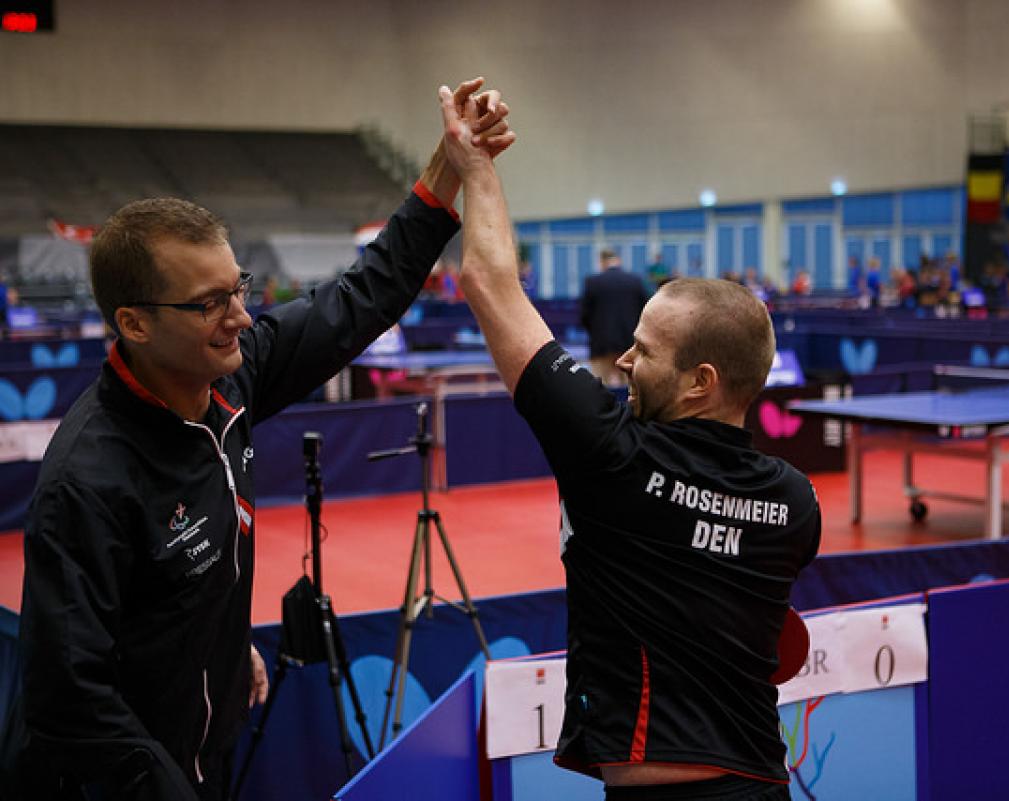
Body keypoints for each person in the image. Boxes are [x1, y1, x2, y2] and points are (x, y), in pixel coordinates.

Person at [2, 78, 513, 801]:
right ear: (135, 323)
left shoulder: (230, 382)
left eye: (237, 286)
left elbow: (360, 296)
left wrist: (448, 166)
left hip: (206, 748)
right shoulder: (86, 479)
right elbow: (67, 700)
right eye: (210, 303)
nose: (240, 316)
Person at [439, 83, 820, 799]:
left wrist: (478, 166)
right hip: (763, 781)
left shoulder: (613, 456)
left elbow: (489, 281)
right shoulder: (797, 503)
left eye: (644, 351)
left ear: (701, 380)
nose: (623, 361)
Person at [580, 247, 650, 386]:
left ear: (601, 262)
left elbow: (584, 315)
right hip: (630, 344)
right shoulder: (635, 281)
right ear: (618, 260)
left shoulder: (593, 282)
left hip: (601, 343)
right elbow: (646, 311)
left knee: (600, 389)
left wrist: (595, 332)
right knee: (631, 387)